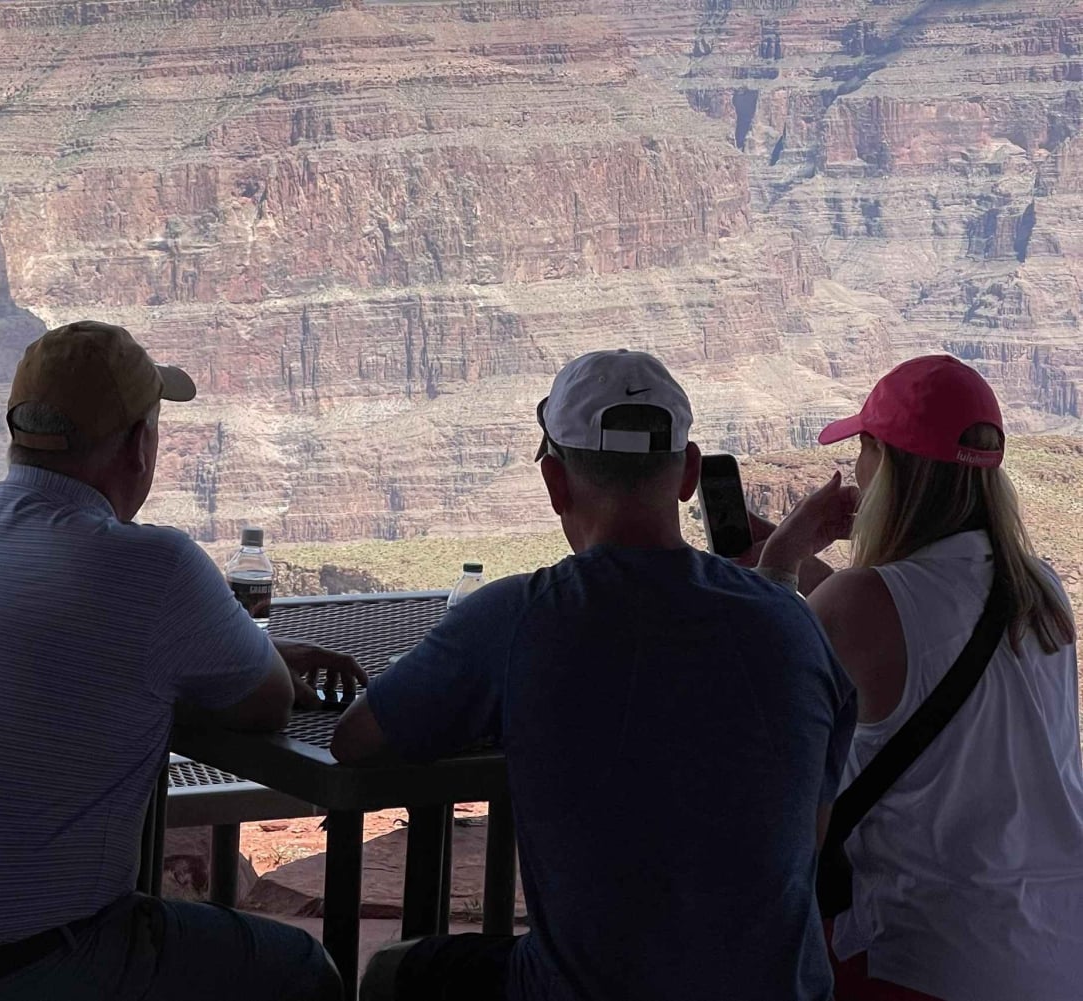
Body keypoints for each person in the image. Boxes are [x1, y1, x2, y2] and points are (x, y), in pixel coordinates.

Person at [0, 320, 357, 1001]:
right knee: (303, 970)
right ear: (139, 444)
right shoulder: (153, 564)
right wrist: (242, 653)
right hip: (6, 977)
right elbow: (267, 700)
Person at [333, 349, 856, 1001]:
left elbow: (356, 739)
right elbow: (802, 835)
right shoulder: (794, 625)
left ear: (555, 481)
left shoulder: (518, 618)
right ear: (689, 474)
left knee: (391, 973)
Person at [752, 355, 1083, 1001]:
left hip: (928, 960)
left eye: (863, 450)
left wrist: (779, 562)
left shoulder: (861, 604)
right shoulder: (1041, 588)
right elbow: (925, 630)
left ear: (888, 466)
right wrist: (809, 574)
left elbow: (755, 698)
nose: (856, 468)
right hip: (1059, 950)